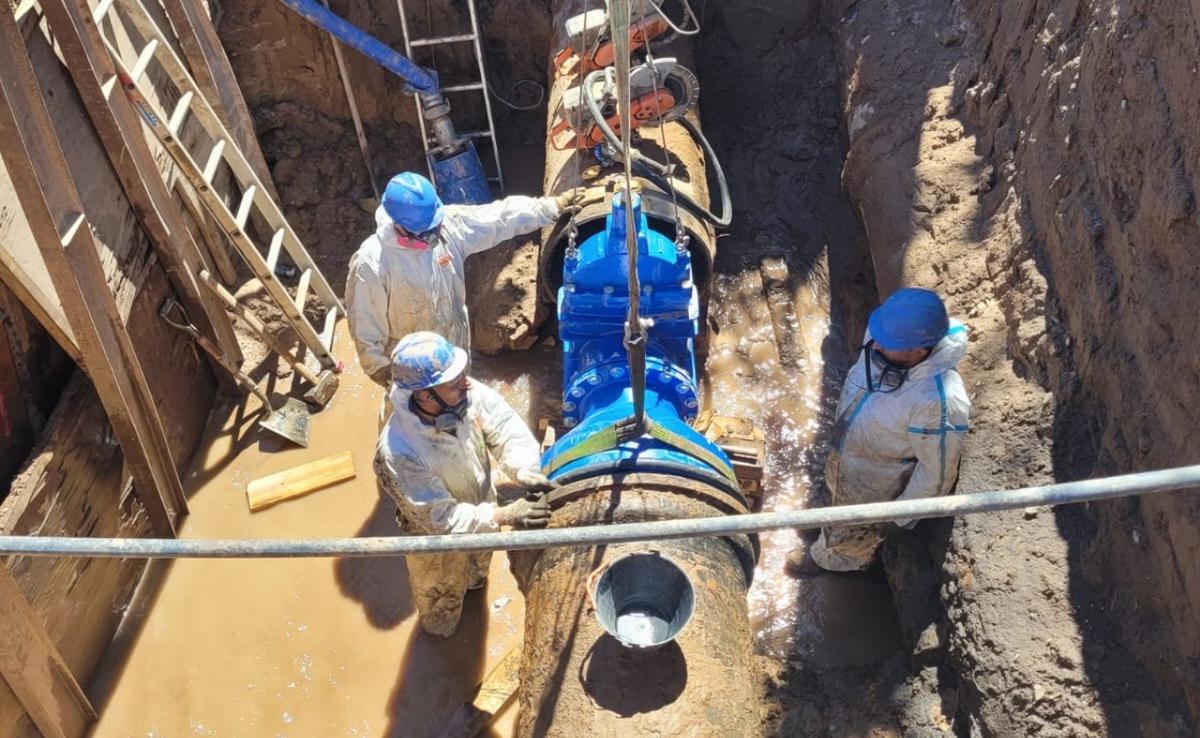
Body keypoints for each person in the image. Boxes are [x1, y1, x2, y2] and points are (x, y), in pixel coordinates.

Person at [374, 331, 556, 637]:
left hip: (480, 507)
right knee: (441, 603)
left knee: (477, 571)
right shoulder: (399, 451)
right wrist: (504, 515)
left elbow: (503, 425)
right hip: (435, 543)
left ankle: (474, 583)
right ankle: (441, 638)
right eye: (453, 382)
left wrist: (523, 468)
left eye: (462, 375)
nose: (466, 383)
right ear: (424, 395)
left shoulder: (463, 394)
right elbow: (441, 520)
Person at [791, 288, 971, 574]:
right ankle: (827, 521)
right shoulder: (887, 338)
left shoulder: (936, 401)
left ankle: (834, 559)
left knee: (853, 532)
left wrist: (899, 516)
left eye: (886, 344)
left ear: (919, 352)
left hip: (877, 485)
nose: (874, 345)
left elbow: (936, 475)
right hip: (847, 454)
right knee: (835, 495)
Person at [346, 171, 583, 387]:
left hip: (455, 349)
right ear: (400, 227)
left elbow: (498, 218)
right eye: (427, 232)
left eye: (436, 226)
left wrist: (550, 207)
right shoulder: (372, 264)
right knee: (419, 418)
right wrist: (382, 371)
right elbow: (365, 324)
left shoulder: (446, 225)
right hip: (413, 370)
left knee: (459, 404)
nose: (436, 234)